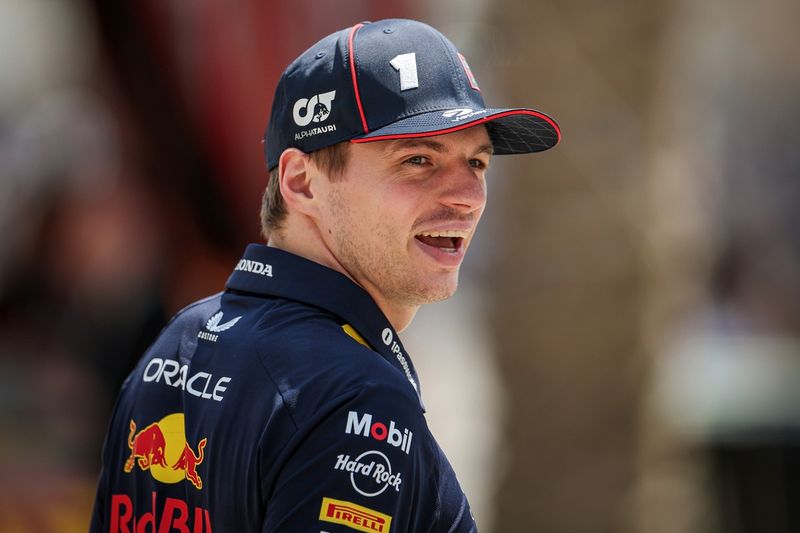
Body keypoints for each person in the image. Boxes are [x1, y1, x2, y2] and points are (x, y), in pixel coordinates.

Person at [89, 18, 559, 533]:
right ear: (301, 182)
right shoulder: (358, 397)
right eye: (418, 160)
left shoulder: (177, 344)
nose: (467, 197)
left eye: (477, 163)